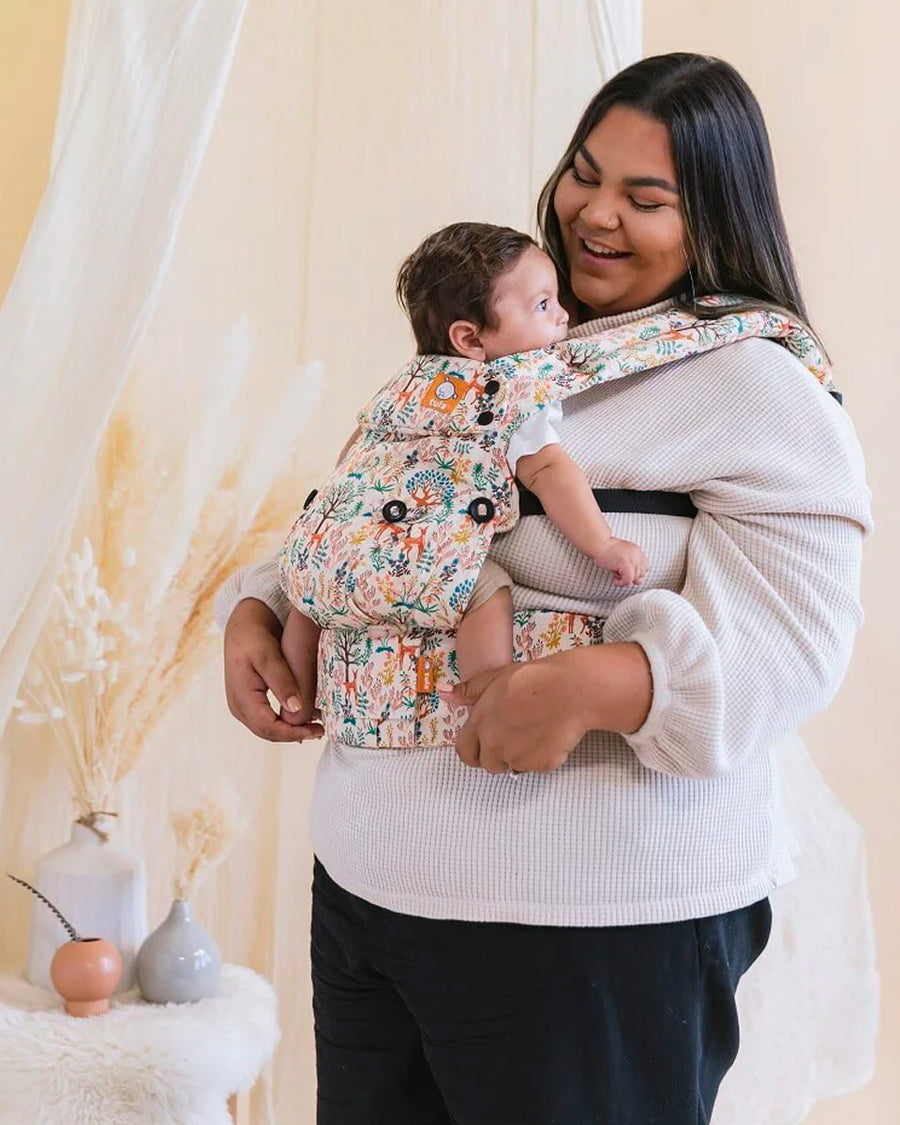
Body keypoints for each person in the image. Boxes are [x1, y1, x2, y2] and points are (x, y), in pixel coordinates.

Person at [216, 53, 872, 1125]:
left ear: (713, 215)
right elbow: (390, 500)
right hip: (371, 897)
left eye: (645, 197)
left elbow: (799, 641)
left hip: (590, 932)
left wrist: (597, 688)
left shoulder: (755, 382)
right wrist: (265, 604)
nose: (594, 214)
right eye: (584, 173)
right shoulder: (489, 355)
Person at [279, 221, 648, 715]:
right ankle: (491, 696)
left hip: (345, 542)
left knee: (311, 596)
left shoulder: (405, 384)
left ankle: (296, 698)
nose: (563, 316)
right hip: (423, 553)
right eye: (543, 305)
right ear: (470, 338)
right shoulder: (511, 391)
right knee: (484, 588)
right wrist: (601, 543)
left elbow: (353, 455)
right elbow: (551, 473)